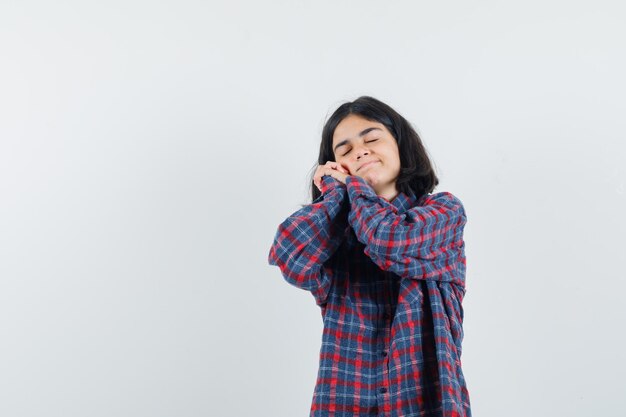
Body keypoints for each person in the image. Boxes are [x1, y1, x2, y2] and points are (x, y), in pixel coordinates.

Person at [268, 96, 471, 417]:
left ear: (401, 146)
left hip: (426, 403)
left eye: (372, 139)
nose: (360, 151)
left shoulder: (443, 211)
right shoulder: (336, 239)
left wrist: (353, 186)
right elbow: (290, 257)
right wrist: (333, 193)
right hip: (345, 403)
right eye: (345, 151)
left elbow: (389, 241)